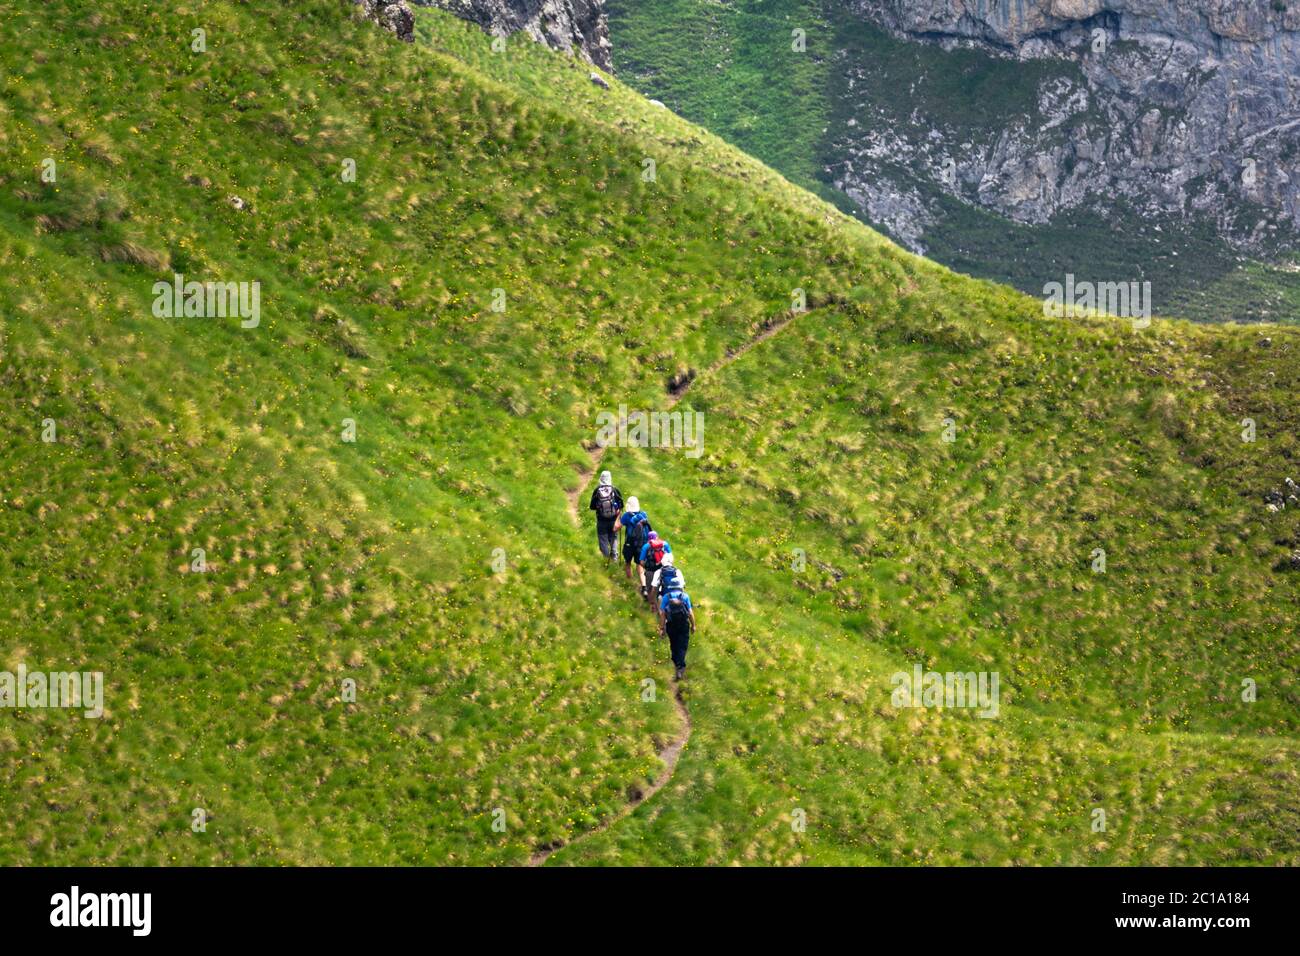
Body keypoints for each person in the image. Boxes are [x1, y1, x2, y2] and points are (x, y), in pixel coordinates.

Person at [660, 587, 696, 680]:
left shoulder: (666, 597)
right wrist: (693, 625)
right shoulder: (685, 596)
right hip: (683, 624)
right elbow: (690, 613)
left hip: (671, 625)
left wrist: (662, 628)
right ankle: (680, 667)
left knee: (674, 645)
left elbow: (662, 613)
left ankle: (676, 665)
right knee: (682, 645)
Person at [588, 471, 623, 563]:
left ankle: (606, 560)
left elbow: (592, 507)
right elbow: (621, 505)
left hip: (601, 521)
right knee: (614, 538)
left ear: (601, 478)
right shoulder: (615, 490)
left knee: (603, 540)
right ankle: (614, 557)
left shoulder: (597, 490)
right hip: (613, 520)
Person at [618, 496, 651, 585]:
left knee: (628, 563)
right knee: (640, 566)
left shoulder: (626, 516)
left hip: (630, 543)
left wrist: (618, 516)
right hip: (642, 544)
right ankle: (644, 587)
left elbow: (616, 528)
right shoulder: (643, 514)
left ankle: (630, 582)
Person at [651, 554, 685, 627]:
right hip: (677, 597)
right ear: (672, 561)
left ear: (662, 561)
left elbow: (654, 588)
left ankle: (663, 628)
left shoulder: (658, 572)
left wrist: (652, 602)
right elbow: (682, 587)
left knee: (662, 611)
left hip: (663, 596)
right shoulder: (678, 571)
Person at [640, 531, 671, 605]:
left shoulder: (646, 546)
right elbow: (670, 558)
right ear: (657, 537)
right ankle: (663, 606)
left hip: (650, 571)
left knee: (651, 590)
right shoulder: (665, 544)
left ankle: (653, 608)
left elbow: (641, 561)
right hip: (663, 571)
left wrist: (646, 567)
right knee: (663, 588)